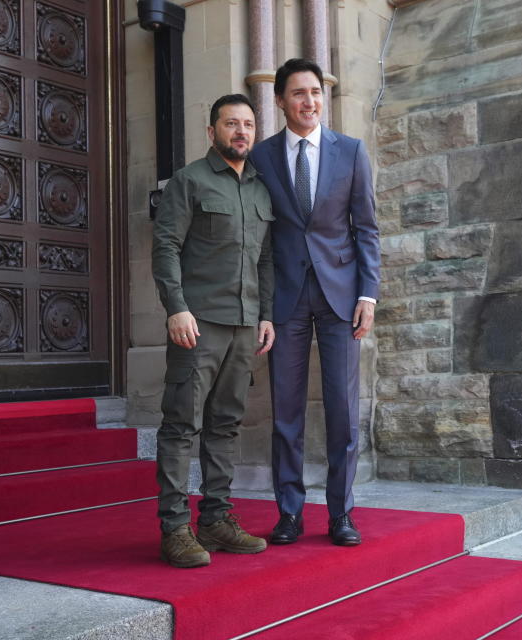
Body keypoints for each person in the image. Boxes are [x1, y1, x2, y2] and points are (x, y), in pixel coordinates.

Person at [250, 59, 380, 547]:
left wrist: (368, 293)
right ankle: (289, 513)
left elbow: (366, 228)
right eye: (299, 93)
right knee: (286, 412)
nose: (309, 101)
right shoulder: (262, 158)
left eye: (316, 92)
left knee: (343, 412)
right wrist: (260, 305)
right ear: (280, 100)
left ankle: (341, 514)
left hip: (341, 298)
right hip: (284, 299)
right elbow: (258, 234)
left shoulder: (350, 151)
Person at [151, 93, 275, 568]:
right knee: (182, 424)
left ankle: (217, 520)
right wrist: (175, 308)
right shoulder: (190, 181)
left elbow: (266, 258)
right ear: (212, 132)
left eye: (247, 124)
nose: (240, 131)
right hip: (197, 325)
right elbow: (164, 247)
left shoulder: (261, 191)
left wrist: (265, 314)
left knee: (225, 425)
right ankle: (176, 529)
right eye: (230, 124)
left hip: (245, 325)